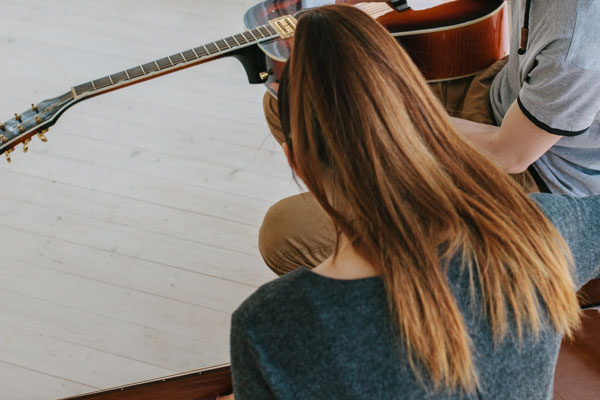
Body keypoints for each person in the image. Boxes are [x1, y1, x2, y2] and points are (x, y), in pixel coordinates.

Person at [230, 5, 600, 399]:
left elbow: (509, 154)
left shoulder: (266, 326)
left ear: (296, 163)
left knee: (282, 230)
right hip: (501, 112)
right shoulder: (545, 232)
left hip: (523, 160)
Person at [260, 0, 600, 275]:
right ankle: (376, 210)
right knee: (291, 102)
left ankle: (391, 248)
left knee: (285, 234)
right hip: (502, 100)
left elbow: (510, 154)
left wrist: (384, 114)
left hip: (537, 180)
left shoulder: (576, 45)